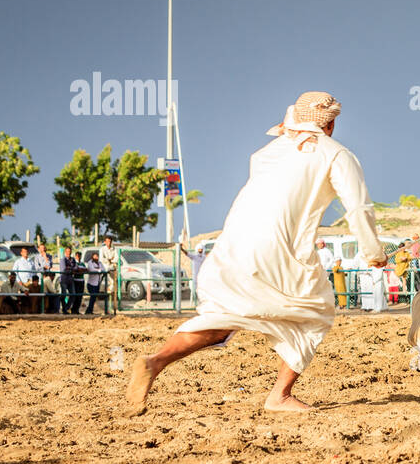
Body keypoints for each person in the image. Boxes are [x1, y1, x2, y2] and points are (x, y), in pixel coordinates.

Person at [124, 91, 387, 417]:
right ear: (330, 124)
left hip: (231, 246)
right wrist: (373, 252)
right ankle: (279, 395)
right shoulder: (336, 155)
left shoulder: (268, 151)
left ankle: (155, 361)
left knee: (220, 319)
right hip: (280, 253)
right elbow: (358, 207)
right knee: (315, 313)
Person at [60, 246, 82, 314]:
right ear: (65, 252)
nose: (68, 253)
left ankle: (66, 308)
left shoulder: (72, 259)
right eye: (67, 251)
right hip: (64, 279)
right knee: (64, 295)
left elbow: (76, 267)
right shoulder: (62, 259)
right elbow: (64, 269)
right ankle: (64, 309)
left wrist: (69, 268)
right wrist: (72, 270)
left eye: (69, 251)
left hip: (70, 279)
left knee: (73, 294)